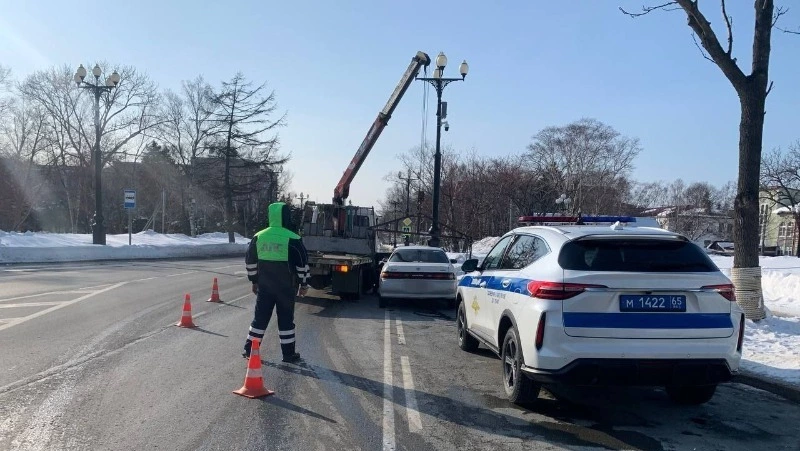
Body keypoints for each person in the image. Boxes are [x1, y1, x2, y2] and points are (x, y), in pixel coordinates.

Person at [244, 201, 310, 363]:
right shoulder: (293, 238)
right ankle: (288, 354)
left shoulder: (258, 237)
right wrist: (304, 284)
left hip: (265, 287)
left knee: (259, 319)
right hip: (286, 288)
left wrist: (254, 280)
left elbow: (250, 262)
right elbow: (302, 264)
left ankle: (250, 350)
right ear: (286, 217)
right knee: (286, 321)